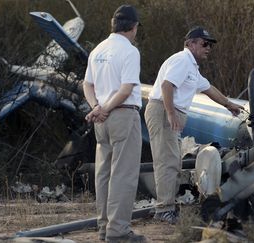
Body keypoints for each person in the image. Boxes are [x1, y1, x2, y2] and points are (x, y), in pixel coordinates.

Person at [144, 26, 244, 224]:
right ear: (190, 43)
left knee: (172, 161)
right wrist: (171, 113)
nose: (208, 48)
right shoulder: (182, 61)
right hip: (164, 112)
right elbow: (166, 85)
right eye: (204, 44)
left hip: (170, 113)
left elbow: (209, 89)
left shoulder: (192, 68)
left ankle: (166, 206)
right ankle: (164, 210)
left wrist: (229, 104)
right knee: (167, 161)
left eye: (210, 45)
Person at [83, 4, 146, 243]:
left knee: (104, 174)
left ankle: (104, 228)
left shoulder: (97, 50)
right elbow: (127, 88)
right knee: (124, 173)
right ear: (134, 27)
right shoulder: (129, 51)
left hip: (102, 119)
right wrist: (105, 108)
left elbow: (87, 84)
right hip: (122, 114)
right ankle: (118, 232)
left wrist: (96, 108)